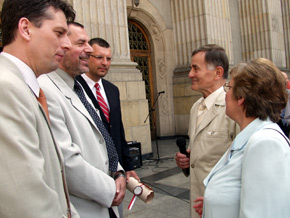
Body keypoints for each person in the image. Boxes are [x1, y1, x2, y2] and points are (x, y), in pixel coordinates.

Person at [38, 22, 126, 218]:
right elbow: (66, 162)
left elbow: (103, 135)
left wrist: (118, 171)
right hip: (86, 205)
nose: (88, 50)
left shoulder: (75, 86)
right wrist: (110, 188)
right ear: (61, 46)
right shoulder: (45, 89)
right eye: (81, 43)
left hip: (106, 199)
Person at [0, 0, 79, 217]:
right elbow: (27, 204)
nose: (67, 44)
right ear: (25, 29)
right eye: (59, 32)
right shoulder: (6, 88)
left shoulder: (25, 87)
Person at [194, 58, 290, 218]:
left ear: (241, 98)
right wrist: (215, 205)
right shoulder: (249, 137)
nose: (225, 94)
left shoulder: (265, 143)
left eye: (229, 87)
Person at [75, 38, 140, 217]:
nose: (105, 63)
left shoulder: (112, 89)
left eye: (109, 59)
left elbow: (118, 130)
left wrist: (128, 166)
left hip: (116, 170)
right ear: (87, 57)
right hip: (93, 168)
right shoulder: (75, 87)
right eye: (99, 57)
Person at [174, 44, 238, 218]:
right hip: (198, 204)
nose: (190, 75)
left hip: (223, 208)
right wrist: (188, 159)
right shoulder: (196, 107)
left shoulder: (234, 107)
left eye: (196, 68)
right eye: (190, 68)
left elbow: (243, 165)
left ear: (218, 72)